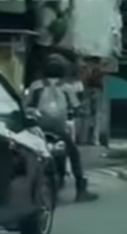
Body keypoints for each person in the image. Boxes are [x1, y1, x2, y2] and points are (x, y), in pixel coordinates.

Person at [25, 54, 98, 202]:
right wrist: (81, 111)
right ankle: (81, 189)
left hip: (38, 127)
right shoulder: (67, 87)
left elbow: (26, 105)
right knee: (74, 154)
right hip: (58, 128)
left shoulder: (36, 85)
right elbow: (77, 107)